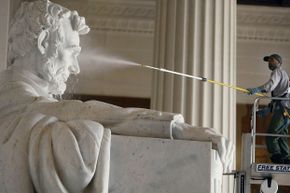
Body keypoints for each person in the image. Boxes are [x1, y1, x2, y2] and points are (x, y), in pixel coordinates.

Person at [0, 1, 234, 193]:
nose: (75, 68)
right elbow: (81, 111)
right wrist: (178, 129)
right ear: (43, 43)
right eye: (72, 52)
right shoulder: (19, 100)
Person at [247, 53, 290, 164]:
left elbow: (271, 85)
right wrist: (268, 109)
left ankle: (277, 156)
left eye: (272, 60)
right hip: (284, 108)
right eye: (269, 61)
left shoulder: (277, 72)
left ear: (279, 63)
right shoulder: (283, 74)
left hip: (283, 108)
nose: (270, 62)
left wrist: (257, 89)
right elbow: (278, 97)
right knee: (280, 135)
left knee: (272, 134)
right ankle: (286, 157)